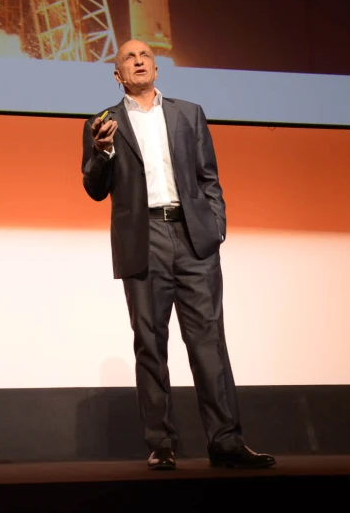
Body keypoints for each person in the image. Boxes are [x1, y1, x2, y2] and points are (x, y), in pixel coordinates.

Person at [80, 39, 276, 470]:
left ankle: (225, 442)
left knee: (208, 342)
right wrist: (102, 150)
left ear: (155, 67)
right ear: (118, 76)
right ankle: (161, 444)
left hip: (192, 237)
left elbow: (210, 178)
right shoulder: (102, 123)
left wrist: (215, 228)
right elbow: (95, 189)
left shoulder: (189, 114)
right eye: (128, 58)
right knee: (150, 343)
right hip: (142, 237)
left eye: (144, 55)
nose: (137, 60)